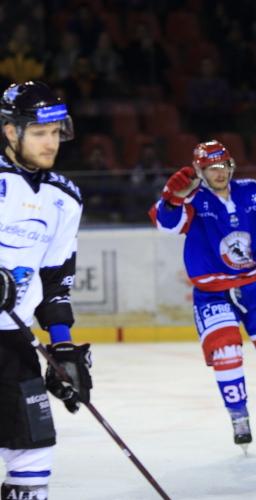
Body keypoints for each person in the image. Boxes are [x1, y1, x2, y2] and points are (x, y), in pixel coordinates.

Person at [149, 140, 256, 452]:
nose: (218, 173)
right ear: (199, 171)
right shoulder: (192, 198)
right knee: (226, 353)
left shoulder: (255, 193)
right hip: (212, 293)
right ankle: (238, 415)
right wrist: (172, 198)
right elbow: (167, 224)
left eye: (222, 165)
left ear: (231, 165)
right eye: (210, 168)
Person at [0, 80, 92, 499]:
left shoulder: (65, 199)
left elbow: (55, 282)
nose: (50, 142)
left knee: (34, 452)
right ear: (10, 131)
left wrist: (63, 347)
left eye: (55, 132)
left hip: (15, 342)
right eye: (39, 132)